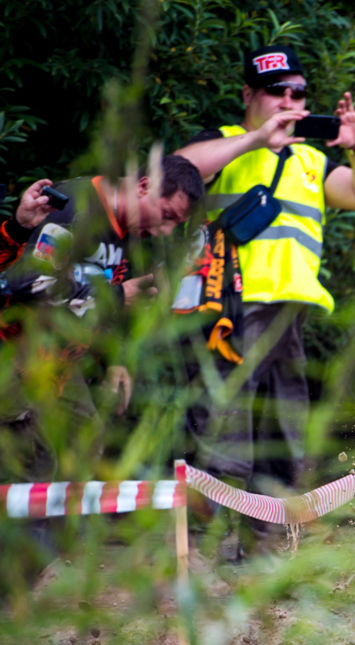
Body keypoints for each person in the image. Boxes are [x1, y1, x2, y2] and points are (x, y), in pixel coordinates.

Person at [174, 44, 355, 556]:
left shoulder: (311, 159)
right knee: (223, 433)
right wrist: (256, 139)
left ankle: (266, 553)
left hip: (289, 315)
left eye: (298, 93)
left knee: (283, 438)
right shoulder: (225, 143)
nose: (289, 102)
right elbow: (179, 168)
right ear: (249, 95)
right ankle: (209, 552)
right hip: (228, 311)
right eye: (277, 92)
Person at [0, 155, 206, 483]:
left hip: (61, 363)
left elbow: (106, 300)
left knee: (86, 444)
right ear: (144, 187)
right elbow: (28, 282)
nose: (164, 230)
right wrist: (117, 296)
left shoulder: (133, 232)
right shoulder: (77, 208)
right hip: (17, 350)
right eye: (166, 215)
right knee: (30, 461)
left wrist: (115, 359)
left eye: (174, 224)